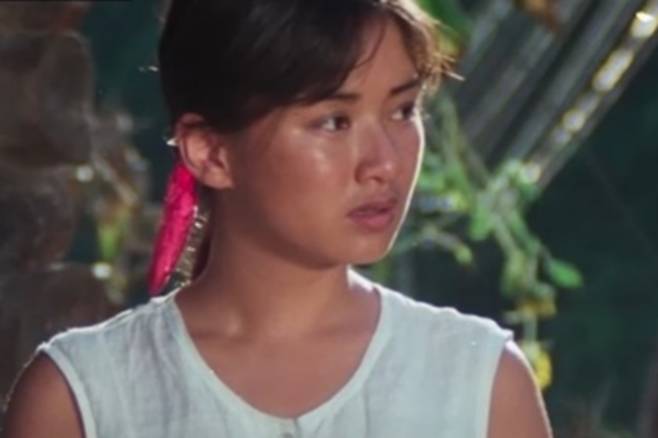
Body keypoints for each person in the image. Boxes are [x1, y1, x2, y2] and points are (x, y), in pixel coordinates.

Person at [3, 0, 553, 437]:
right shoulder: (81, 400)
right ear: (210, 152)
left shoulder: (479, 385)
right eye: (334, 122)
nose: (384, 163)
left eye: (403, 110)